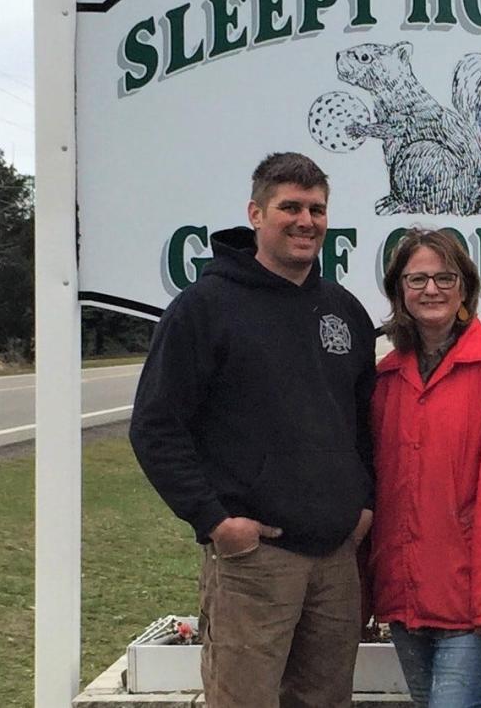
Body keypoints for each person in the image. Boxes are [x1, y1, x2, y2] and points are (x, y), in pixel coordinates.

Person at [129, 152, 376, 708]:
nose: (305, 221)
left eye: (316, 209)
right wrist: (215, 521)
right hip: (253, 559)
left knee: (325, 699)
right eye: (289, 206)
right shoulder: (205, 308)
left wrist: (364, 503)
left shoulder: (344, 310)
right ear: (256, 213)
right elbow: (155, 426)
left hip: (335, 559)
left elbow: (364, 423)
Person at [369, 229, 481, 708]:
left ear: (466, 288)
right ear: (399, 291)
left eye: (445, 277)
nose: (431, 289)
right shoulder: (389, 375)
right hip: (408, 598)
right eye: (418, 279)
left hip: (471, 602)